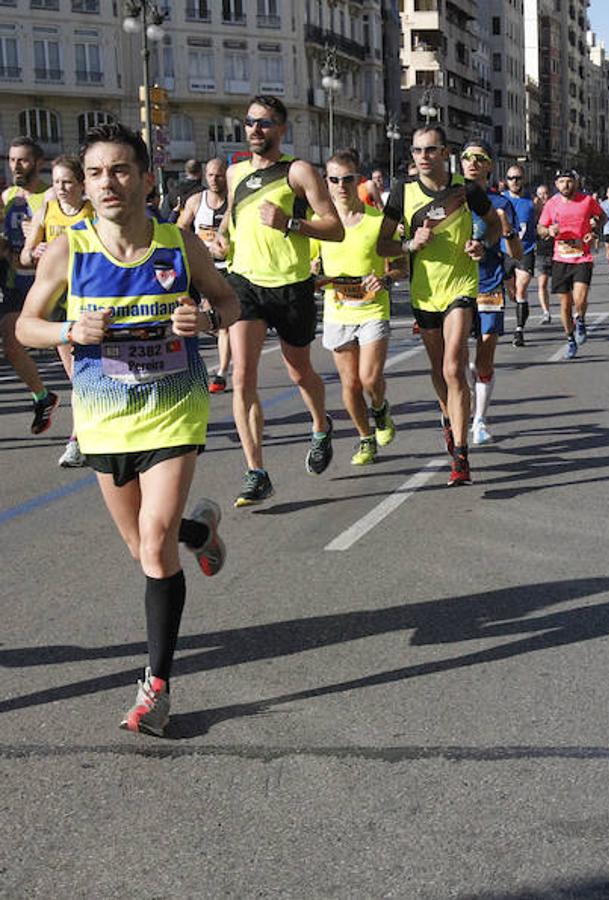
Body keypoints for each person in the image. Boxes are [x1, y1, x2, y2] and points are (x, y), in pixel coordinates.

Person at [16, 122, 240, 736]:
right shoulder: (69, 249)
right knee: (148, 549)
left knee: (153, 539)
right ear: (84, 185)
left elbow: (229, 300)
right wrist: (68, 331)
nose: (107, 182)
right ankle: (202, 531)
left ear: (145, 178)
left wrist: (204, 316)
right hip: (104, 418)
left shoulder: (176, 242)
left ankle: (157, 688)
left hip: (173, 407)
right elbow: (26, 327)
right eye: (95, 173)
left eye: (119, 170)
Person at [219, 95, 345, 506]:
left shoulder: (298, 172)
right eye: (251, 122)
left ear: (281, 129)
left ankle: (320, 425)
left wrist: (289, 222)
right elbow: (229, 222)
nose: (256, 129)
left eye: (265, 123)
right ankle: (256, 472)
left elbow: (335, 228)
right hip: (244, 284)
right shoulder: (234, 171)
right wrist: (221, 239)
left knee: (299, 371)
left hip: (291, 285)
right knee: (242, 377)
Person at [376, 125, 500, 486]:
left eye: (431, 150)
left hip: (461, 287)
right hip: (423, 293)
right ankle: (449, 418)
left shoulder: (466, 189)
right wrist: (409, 245)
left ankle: (460, 455)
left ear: (445, 153)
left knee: (452, 366)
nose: (423, 157)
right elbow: (382, 245)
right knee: (437, 367)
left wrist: (484, 246)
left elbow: (493, 225)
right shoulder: (402, 191)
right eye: (417, 151)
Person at [311, 149, 397, 466]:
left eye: (348, 179)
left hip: (373, 309)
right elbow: (312, 271)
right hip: (338, 311)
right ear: (326, 182)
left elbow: (401, 264)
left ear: (358, 180)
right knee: (350, 384)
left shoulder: (377, 221)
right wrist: (316, 273)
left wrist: (386, 279)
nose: (341, 186)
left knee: (370, 379)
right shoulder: (319, 224)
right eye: (334, 180)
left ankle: (380, 408)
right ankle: (365, 439)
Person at [19, 155, 93, 467]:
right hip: (58, 301)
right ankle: (84, 436)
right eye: (57, 181)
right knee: (77, 375)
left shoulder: (93, 212)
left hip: (88, 299)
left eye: (67, 182)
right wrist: (35, 251)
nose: (61, 188)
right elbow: (24, 256)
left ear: (81, 185)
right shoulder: (46, 210)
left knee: (85, 374)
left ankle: (79, 440)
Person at [459, 140, 522, 446]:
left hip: (488, 284)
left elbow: (517, 252)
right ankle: (463, 404)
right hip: (453, 286)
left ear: (489, 166)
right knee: (455, 361)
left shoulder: (501, 203)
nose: (471, 162)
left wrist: (506, 228)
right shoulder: (448, 198)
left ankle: (479, 420)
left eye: (479, 158)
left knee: (483, 360)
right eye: (466, 157)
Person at [1, 136, 59, 435]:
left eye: (22, 160)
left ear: (38, 163)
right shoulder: (9, 196)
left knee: (68, 349)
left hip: (48, 284)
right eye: (12, 160)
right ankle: (42, 396)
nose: (16, 166)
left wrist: (40, 240)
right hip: (16, 280)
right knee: (11, 346)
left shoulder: (50, 197)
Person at [177, 158, 232, 393]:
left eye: (219, 175)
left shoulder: (233, 203)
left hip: (228, 268)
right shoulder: (196, 201)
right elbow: (179, 231)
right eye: (210, 175)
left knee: (223, 324)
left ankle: (221, 372)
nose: (214, 180)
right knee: (200, 319)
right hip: (200, 270)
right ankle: (197, 367)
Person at [538, 169, 603, 360]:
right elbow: (540, 228)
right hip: (560, 259)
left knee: (580, 299)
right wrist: (549, 230)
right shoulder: (552, 203)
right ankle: (569, 339)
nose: (565, 185)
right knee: (565, 304)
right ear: (556, 184)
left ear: (575, 182)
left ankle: (580, 319)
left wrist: (594, 232)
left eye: (569, 181)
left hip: (582, 257)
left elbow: (601, 217)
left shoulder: (587, 201)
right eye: (561, 182)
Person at [503, 163, 536, 347]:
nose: (514, 181)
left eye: (518, 178)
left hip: (526, 250)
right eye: (511, 178)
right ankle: (519, 306)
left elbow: (542, 222)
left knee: (522, 289)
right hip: (505, 252)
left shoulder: (532, 201)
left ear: (523, 179)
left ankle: (519, 330)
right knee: (512, 293)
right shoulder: (500, 200)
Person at [533, 182, 553, 322]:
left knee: (561, 285)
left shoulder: (555, 209)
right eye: (540, 194)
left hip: (557, 250)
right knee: (542, 284)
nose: (543, 197)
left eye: (545, 194)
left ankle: (569, 309)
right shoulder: (533, 213)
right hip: (541, 251)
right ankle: (546, 312)